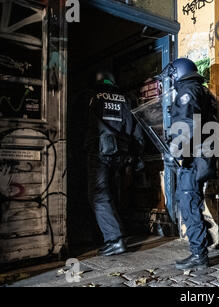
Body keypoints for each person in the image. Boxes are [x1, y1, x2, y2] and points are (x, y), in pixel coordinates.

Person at [85, 69, 144, 257]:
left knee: (98, 194)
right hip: (121, 153)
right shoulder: (125, 99)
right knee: (111, 193)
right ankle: (112, 235)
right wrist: (134, 157)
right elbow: (137, 131)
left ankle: (114, 239)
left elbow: (82, 125)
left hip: (99, 152)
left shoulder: (92, 96)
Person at [165, 58, 216, 270]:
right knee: (187, 198)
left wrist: (175, 149)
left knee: (187, 201)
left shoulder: (188, 92)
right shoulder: (202, 91)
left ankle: (199, 254)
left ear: (178, 73)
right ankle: (204, 237)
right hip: (202, 155)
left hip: (194, 157)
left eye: (172, 75)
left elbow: (187, 123)